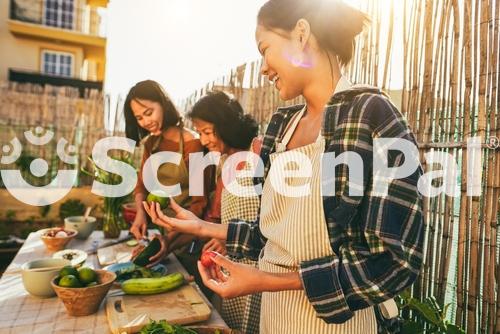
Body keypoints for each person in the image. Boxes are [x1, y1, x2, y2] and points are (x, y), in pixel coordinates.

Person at [144, 0, 424, 333]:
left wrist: (265, 279)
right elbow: (273, 236)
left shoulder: (373, 115)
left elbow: (393, 261)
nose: (263, 67)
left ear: (302, 33)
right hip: (274, 320)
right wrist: (206, 228)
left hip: (337, 325)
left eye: (266, 49)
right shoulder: (282, 127)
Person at [187, 91, 262, 333]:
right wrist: (222, 237)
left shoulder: (258, 152)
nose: (203, 140)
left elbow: (274, 217)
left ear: (226, 125)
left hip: (258, 267)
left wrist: (234, 239)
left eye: (207, 132)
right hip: (232, 266)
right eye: (199, 133)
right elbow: (221, 217)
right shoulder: (225, 163)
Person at [123, 80, 208, 267]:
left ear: (163, 104)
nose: (145, 122)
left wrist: (170, 239)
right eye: (139, 118)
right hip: (162, 236)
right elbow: (141, 186)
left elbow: (199, 205)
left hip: (188, 238)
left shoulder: (192, 143)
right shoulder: (150, 144)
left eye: (148, 113)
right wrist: (140, 215)